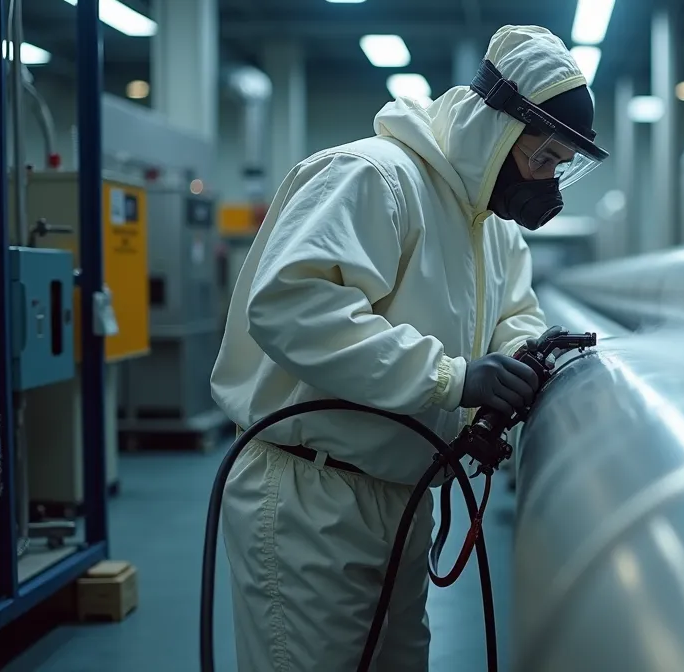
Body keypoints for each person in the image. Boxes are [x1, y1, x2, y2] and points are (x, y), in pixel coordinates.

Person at [210, 25, 608, 671]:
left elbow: (512, 315)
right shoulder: (372, 176)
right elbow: (291, 305)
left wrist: (526, 356)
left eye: (560, 166)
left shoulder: (488, 226)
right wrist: (450, 378)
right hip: (315, 494)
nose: (548, 182)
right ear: (496, 130)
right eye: (543, 158)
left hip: (404, 495)